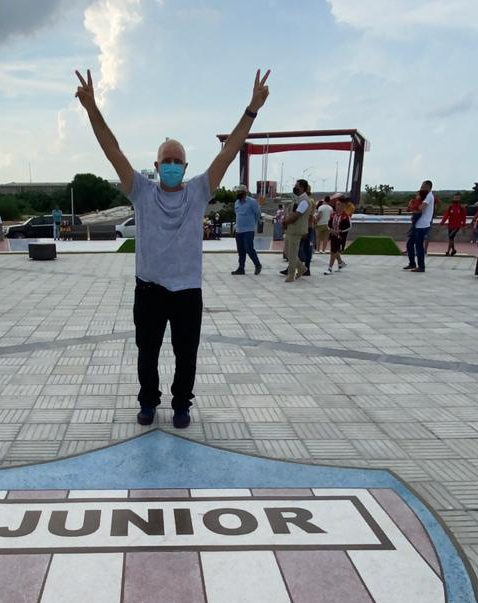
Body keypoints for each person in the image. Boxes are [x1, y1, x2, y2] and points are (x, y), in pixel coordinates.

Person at [75, 64, 271, 428]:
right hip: (149, 290)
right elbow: (112, 149)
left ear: (185, 166)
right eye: (165, 161)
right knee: (146, 354)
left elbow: (229, 152)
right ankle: (148, 402)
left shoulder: (198, 191)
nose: (171, 166)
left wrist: (252, 109)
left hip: (187, 292)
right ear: (156, 164)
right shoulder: (141, 191)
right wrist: (91, 108)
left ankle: (182, 404)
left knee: (187, 355)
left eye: (177, 161)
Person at [279, 180, 311, 282]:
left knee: (292, 253)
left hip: (296, 230)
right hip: (291, 229)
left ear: (302, 188)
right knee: (287, 252)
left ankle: (291, 275)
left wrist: (285, 222)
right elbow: (292, 213)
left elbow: (297, 215)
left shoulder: (304, 201)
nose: (294, 187)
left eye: (296, 186)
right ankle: (301, 268)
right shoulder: (298, 199)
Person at [404, 179, 435, 272]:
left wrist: (413, 206)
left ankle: (421, 266)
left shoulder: (429, 196)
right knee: (410, 244)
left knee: (419, 246)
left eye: (422, 187)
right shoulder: (425, 196)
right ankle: (412, 263)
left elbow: (421, 208)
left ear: (428, 187)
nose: (421, 189)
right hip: (418, 225)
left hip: (422, 225)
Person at [232, 184, 262, 275]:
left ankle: (257, 265)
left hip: (248, 230)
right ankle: (241, 268)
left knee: (249, 249)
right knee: (240, 250)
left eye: (239, 192)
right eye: (237, 192)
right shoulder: (236, 203)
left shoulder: (252, 202)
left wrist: (253, 224)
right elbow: (237, 215)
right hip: (239, 230)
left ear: (245, 192)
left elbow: (258, 214)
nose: (238, 194)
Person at [323, 197, 350, 273]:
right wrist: (330, 229)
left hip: (340, 237)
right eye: (337, 205)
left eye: (340, 205)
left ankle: (330, 268)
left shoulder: (345, 216)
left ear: (344, 206)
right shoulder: (332, 215)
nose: (338, 207)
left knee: (333, 251)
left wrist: (340, 231)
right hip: (333, 235)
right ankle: (341, 263)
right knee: (335, 250)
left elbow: (349, 227)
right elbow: (328, 224)